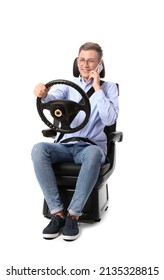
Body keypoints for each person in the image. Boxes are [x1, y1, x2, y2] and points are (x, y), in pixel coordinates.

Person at [31, 42, 119, 241]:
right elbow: (51, 100)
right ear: (76, 61)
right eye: (81, 60)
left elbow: (109, 119)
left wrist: (97, 88)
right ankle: (57, 213)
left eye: (91, 60)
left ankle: (73, 215)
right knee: (38, 149)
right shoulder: (66, 86)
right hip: (64, 145)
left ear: (100, 64)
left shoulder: (109, 88)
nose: (85, 64)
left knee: (94, 153)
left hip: (89, 148)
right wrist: (43, 94)